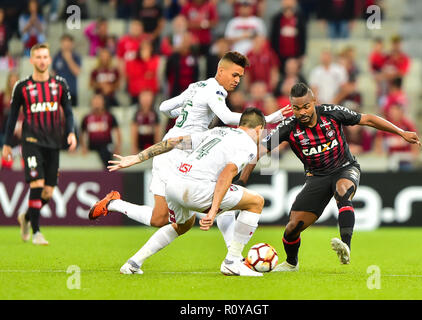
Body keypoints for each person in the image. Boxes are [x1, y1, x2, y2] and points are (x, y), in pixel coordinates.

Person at [88, 51, 291, 252]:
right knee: (221, 196)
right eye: (234, 75)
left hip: (173, 144)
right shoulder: (216, 91)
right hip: (182, 149)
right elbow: (228, 117)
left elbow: (164, 107)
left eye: (240, 76)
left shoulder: (197, 86)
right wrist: (269, 118)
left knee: (159, 218)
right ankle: (233, 258)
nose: (237, 80)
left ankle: (113, 203)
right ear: (221, 70)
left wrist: (189, 109)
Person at [238, 82, 420, 271]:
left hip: (345, 168)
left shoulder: (331, 112)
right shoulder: (288, 127)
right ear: (292, 107)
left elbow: (368, 119)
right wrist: (242, 181)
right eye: (297, 108)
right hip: (316, 178)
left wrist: (401, 132)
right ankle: (292, 263)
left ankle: (345, 247)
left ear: (314, 102)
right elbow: (257, 152)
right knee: (292, 227)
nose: (302, 112)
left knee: (343, 191)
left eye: (306, 106)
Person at [94, 108, 268, 276]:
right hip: (196, 188)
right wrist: (213, 210)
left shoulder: (217, 132)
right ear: (259, 129)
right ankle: (233, 261)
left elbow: (173, 142)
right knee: (256, 202)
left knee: (183, 224)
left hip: (174, 183)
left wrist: (137, 157)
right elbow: (227, 174)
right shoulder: (248, 145)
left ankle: (133, 263)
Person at [1, 43, 77, 245]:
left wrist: (71, 133)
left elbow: (68, 112)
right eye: (38, 57)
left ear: (49, 59)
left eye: (45, 57)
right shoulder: (22, 86)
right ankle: (36, 232)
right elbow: (11, 118)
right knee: (37, 184)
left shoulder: (60, 84)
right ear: (32, 60)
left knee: (48, 192)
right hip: (31, 142)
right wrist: (7, 144)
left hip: (53, 143)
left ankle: (25, 217)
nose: (42, 60)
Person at [80, 94, 121, 169]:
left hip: (106, 145)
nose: (97, 103)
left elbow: (117, 132)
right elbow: (82, 133)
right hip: (92, 145)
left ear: (103, 103)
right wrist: (83, 147)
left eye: (99, 101)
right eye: (95, 101)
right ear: (91, 103)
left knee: (106, 151)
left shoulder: (110, 116)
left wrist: (117, 147)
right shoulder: (86, 118)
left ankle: (109, 170)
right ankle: (110, 171)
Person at [52, 34, 81, 107]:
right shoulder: (56, 56)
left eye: (68, 43)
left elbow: (77, 72)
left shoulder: (76, 57)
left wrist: (69, 59)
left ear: (72, 44)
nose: (66, 46)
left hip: (71, 91)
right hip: (59, 92)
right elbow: (53, 73)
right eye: (64, 43)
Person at [131, 90, 161, 154]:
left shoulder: (154, 114)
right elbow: (134, 131)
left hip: (151, 146)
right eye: (144, 98)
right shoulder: (137, 114)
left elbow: (157, 132)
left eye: (148, 98)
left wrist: (157, 148)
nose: (146, 100)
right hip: (140, 146)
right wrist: (134, 147)